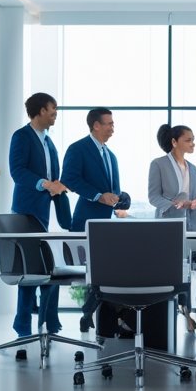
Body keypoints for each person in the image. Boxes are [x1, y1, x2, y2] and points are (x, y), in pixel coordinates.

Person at [8, 92, 72, 340]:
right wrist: (45, 184)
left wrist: (59, 186)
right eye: (53, 109)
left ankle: (50, 321)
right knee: (30, 270)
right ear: (41, 110)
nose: (56, 113)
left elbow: (55, 176)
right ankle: (22, 324)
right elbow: (17, 171)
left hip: (50, 212)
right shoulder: (22, 136)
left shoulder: (48, 142)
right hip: (27, 211)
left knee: (50, 268)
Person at [148, 123, 196, 334]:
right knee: (183, 272)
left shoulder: (194, 169)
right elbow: (154, 197)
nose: (192, 143)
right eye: (188, 139)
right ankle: (186, 311)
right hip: (168, 229)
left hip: (192, 228)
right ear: (174, 142)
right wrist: (174, 205)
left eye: (192, 139)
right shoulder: (158, 164)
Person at [60, 107, 123, 333]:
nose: (113, 128)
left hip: (109, 222)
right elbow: (68, 178)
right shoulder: (78, 149)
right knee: (88, 270)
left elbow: (114, 187)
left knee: (108, 269)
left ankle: (92, 312)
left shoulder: (111, 155)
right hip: (86, 218)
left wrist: (118, 198)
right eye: (109, 123)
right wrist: (98, 195)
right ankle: (88, 313)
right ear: (96, 125)